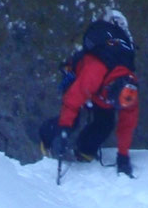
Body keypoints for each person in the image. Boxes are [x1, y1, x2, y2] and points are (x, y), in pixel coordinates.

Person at [40, 10, 140, 175]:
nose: (113, 104)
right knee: (72, 121)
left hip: (99, 94)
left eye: (116, 103)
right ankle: (47, 139)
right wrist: (63, 130)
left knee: (105, 123)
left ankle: (84, 152)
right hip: (78, 79)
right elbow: (72, 101)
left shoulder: (130, 93)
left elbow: (127, 124)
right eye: (113, 100)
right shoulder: (95, 72)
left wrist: (123, 156)